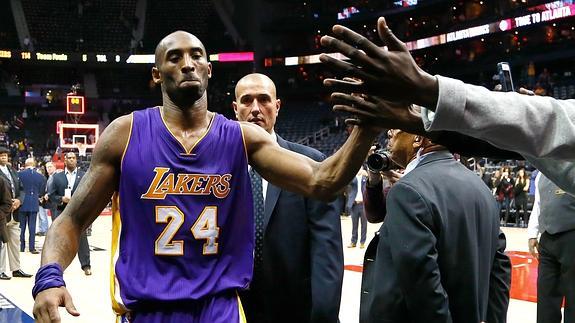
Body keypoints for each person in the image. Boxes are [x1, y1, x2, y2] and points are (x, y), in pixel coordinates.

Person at [32, 31, 377, 323]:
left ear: (209, 70)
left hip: (219, 308)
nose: (187, 63)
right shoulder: (125, 134)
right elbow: (71, 220)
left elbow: (322, 180)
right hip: (151, 309)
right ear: (156, 74)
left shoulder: (240, 137)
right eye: (174, 57)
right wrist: (49, 277)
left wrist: (368, 125)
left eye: (196, 55)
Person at [319, 17, 575, 196]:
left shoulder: (415, 189)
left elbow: (552, 128)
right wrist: (417, 121)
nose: (390, 135)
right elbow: (548, 148)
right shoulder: (471, 185)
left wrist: (427, 89)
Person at [359, 129, 510, 323]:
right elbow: (500, 267)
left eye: (396, 126)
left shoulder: (408, 190)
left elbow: (422, 284)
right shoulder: (481, 188)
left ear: (418, 139)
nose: (389, 133)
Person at [232, 73, 344, 323]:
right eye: (247, 101)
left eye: (264, 100)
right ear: (235, 108)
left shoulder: (311, 163)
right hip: (233, 307)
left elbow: (326, 247)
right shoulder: (219, 168)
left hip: (294, 308)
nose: (255, 109)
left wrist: (324, 315)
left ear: (277, 106)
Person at [527, 172, 575, 323]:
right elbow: (539, 203)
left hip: (572, 235)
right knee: (546, 295)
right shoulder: (542, 172)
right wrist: (532, 233)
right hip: (547, 238)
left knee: (573, 296)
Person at [47, 152, 91, 276]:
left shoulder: (84, 176)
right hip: (62, 211)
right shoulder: (57, 177)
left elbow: (89, 192)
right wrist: (61, 199)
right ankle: (58, 266)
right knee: (60, 240)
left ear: (76, 160)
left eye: (73, 158)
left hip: (79, 211)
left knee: (82, 238)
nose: (71, 160)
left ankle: (86, 265)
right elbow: (51, 195)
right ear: (64, 161)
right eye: (69, 158)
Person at [0, 147, 32, 279]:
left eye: (5, 156)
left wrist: (19, 200)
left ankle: (16, 268)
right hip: (2, 212)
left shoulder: (13, 171)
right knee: (1, 242)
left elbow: (22, 190)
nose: (3, 158)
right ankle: (1, 270)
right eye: (1, 155)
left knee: (15, 242)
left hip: (15, 211)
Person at [18, 158, 46, 253]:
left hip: (22, 203)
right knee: (32, 226)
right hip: (34, 202)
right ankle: (32, 247)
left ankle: (21, 247)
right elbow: (42, 191)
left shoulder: (19, 174)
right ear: (34, 164)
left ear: (25, 164)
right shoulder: (40, 176)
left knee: (21, 227)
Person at [346, 168, 368, 248]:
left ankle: (362, 242)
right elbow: (348, 182)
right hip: (354, 204)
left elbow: (371, 182)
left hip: (363, 205)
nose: (359, 170)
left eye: (360, 168)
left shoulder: (365, 178)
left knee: (364, 225)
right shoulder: (353, 179)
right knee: (354, 225)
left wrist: (367, 174)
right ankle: (353, 242)